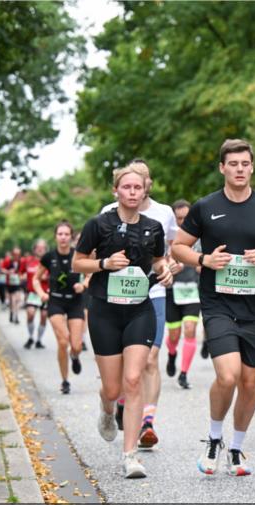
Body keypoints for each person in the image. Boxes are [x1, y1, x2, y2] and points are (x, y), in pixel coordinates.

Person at [170, 138, 255, 476]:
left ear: (252, 167)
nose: (239, 169)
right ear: (222, 168)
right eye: (233, 164)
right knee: (227, 376)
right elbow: (178, 247)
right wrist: (203, 259)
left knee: (248, 382)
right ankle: (214, 439)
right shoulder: (205, 206)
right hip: (217, 304)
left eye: (245, 164)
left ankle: (237, 448)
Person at [73, 165, 173, 479]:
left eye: (137, 187)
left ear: (145, 191)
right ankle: (106, 410)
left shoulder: (154, 227)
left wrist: (165, 271)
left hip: (139, 310)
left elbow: (158, 260)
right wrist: (104, 263)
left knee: (133, 380)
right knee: (113, 388)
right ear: (116, 190)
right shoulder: (98, 224)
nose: (132, 192)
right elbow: (78, 262)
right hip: (104, 311)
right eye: (126, 187)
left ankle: (130, 456)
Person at [100, 159, 177, 447]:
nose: (135, 188)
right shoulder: (107, 213)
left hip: (152, 294)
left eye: (141, 182)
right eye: (129, 184)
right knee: (123, 369)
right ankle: (119, 402)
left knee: (150, 359)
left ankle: (147, 422)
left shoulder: (164, 213)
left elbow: (171, 249)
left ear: (148, 185)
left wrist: (170, 266)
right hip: (117, 297)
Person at [34, 221, 86, 395]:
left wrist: (83, 285)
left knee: (76, 345)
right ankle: (65, 381)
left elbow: (90, 275)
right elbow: (36, 279)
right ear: (55, 236)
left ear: (71, 237)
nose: (63, 237)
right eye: (60, 234)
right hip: (55, 301)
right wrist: (41, 293)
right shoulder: (48, 257)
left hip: (75, 302)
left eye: (66, 234)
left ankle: (75, 355)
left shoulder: (78, 255)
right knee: (63, 341)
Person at [163, 200, 200, 390]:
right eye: (179, 218)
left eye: (186, 217)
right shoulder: (167, 237)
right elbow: (158, 260)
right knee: (174, 335)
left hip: (193, 290)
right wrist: (168, 264)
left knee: (190, 330)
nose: (183, 221)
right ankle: (171, 354)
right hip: (172, 291)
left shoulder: (200, 236)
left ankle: (184, 374)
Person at [22, 239, 49, 349]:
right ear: (34, 249)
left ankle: (39, 340)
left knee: (43, 316)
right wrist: (22, 277)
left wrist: (46, 277)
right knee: (30, 314)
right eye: (38, 247)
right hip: (32, 293)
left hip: (45, 293)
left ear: (46, 249)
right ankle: (30, 337)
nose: (40, 249)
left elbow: (55, 276)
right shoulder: (27, 261)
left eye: (43, 248)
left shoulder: (49, 261)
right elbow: (21, 272)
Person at [1, 247, 25, 324]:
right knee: (12, 300)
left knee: (17, 299)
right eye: (15, 254)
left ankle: (16, 316)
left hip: (18, 283)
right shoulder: (7, 260)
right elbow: (2, 269)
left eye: (18, 254)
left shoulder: (22, 261)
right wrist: (8, 272)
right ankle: (12, 312)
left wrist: (22, 276)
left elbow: (24, 271)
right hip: (10, 283)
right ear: (12, 254)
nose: (16, 256)